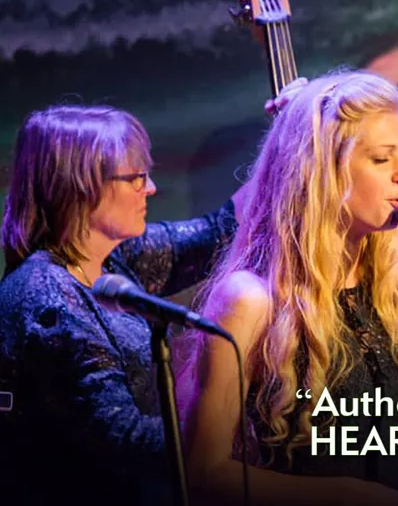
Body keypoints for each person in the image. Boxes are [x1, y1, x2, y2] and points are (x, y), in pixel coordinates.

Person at [177, 70, 398, 506]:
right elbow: (203, 472)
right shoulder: (249, 300)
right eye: (381, 159)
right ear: (322, 171)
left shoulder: (397, 285)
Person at [0, 104, 245, 505]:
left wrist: (291, 134)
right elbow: (124, 442)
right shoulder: (46, 300)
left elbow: (220, 230)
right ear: (82, 186)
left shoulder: (110, 258)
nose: (150, 188)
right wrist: (237, 429)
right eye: (136, 178)